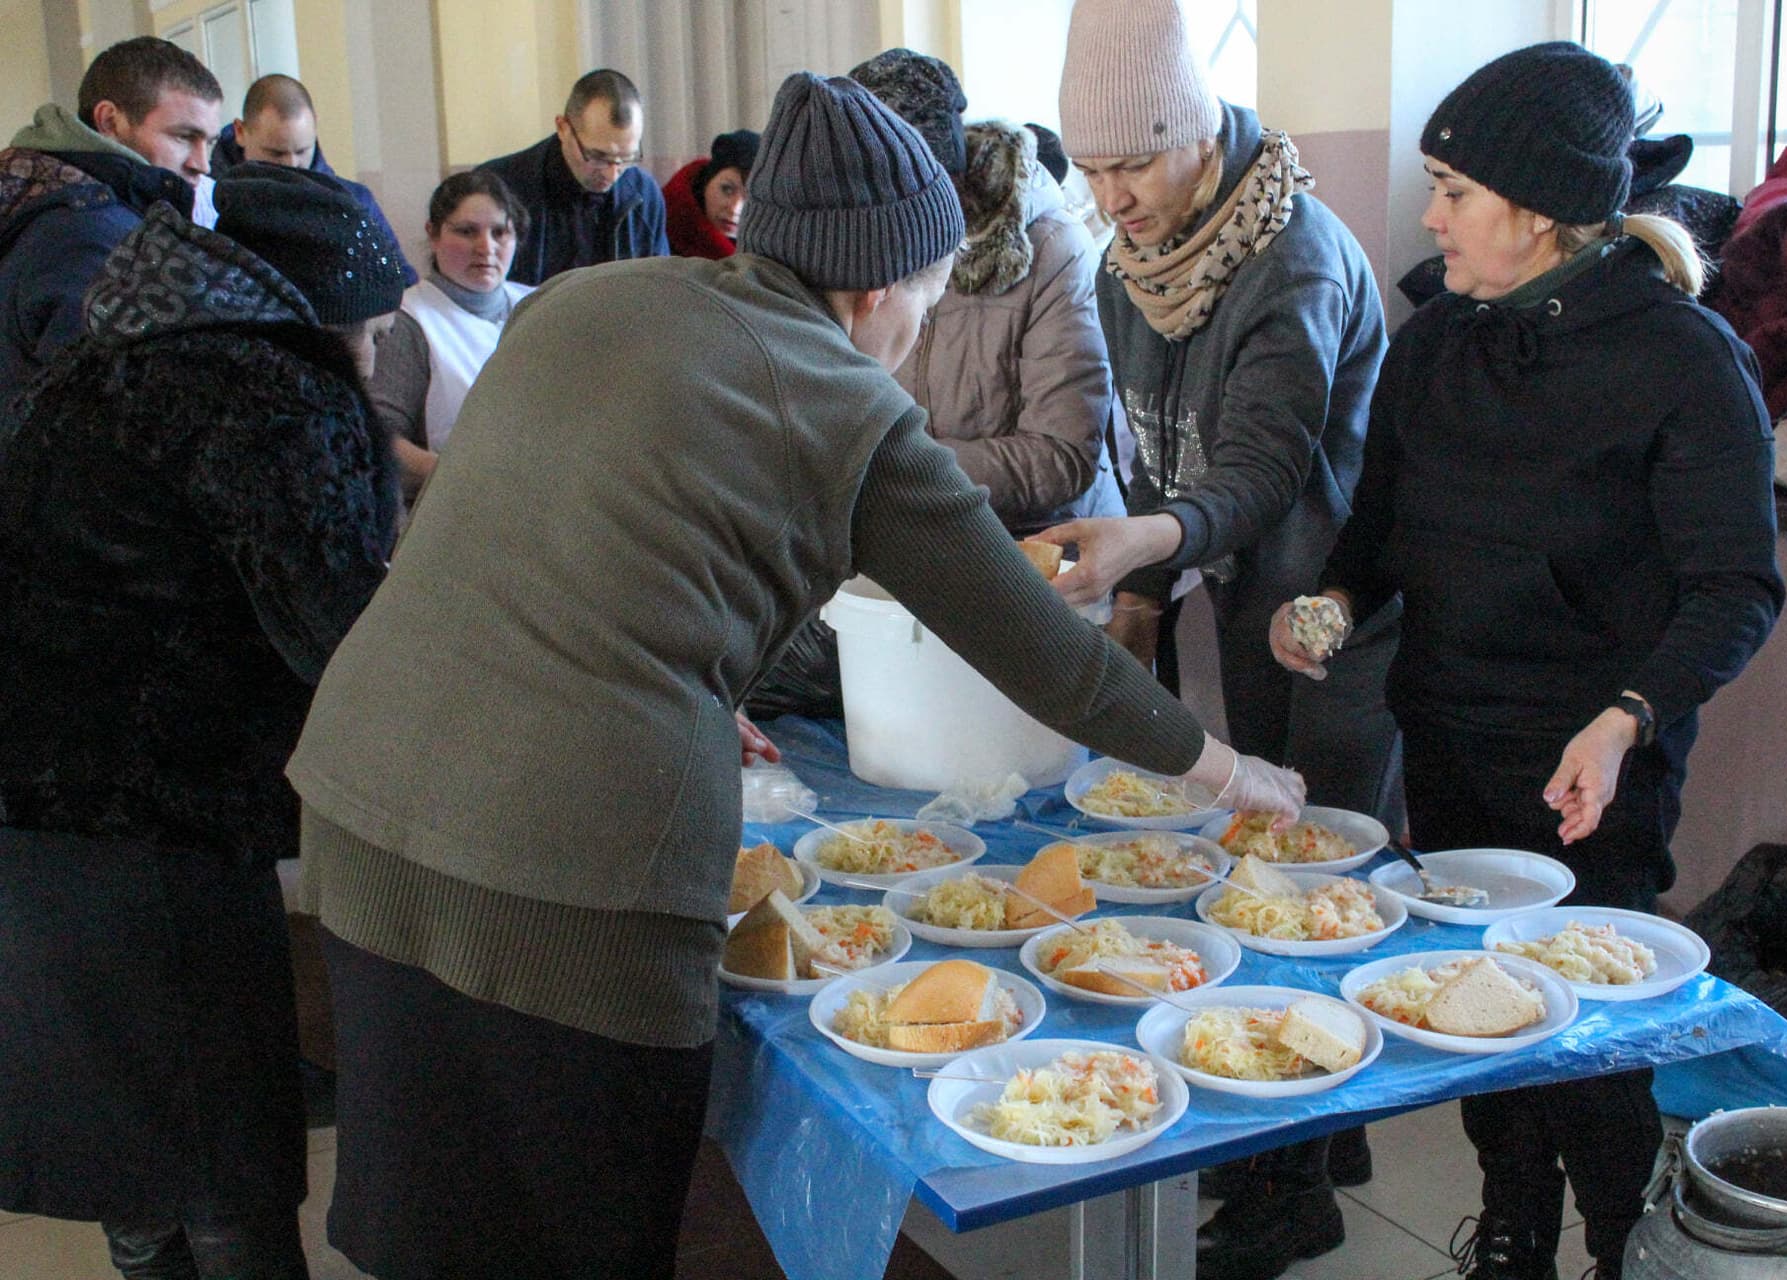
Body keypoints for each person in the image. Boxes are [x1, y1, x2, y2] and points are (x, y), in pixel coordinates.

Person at [284, 72, 1305, 1280]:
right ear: (877, 287)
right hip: (564, 863)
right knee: (580, 1231)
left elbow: (544, 526)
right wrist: (1234, 767)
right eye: (928, 298)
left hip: (361, 797)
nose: (918, 331)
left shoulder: (580, 298)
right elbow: (1047, 655)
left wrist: (692, 671)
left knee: (437, 1218)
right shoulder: (848, 402)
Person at [1270, 43, 1783, 1280]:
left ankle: (1622, 1241)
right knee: (1474, 1010)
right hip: (1445, 731)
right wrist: (1329, 606)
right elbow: (1374, 537)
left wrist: (1624, 721)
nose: (1429, 213)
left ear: (1542, 210)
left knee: (1590, 1030)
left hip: (1592, 760)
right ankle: (1509, 1227)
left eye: (1453, 189)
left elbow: (1737, 587)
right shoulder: (1439, 338)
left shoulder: (1682, 359)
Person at [1040, 5, 1401, 1273]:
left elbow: (1253, 476)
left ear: (1196, 134)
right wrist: (1145, 586)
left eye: (1133, 163)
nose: (1111, 196)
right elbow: (1147, 448)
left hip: (1336, 612)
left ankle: (1293, 1188)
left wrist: (1144, 542)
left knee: (1306, 893)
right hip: (1238, 595)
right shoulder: (1128, 260)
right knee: (1250, 862)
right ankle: (1316, 1142)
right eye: (1088, 170)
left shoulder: (1293, 257)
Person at [0, 164, 406, 1280]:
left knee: (129, 1146)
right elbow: (340, 632)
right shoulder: (261, 389)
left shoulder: (122, 350)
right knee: (222, 1155)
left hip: (43, 807)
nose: (372, 354)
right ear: (317, 309)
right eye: (369, 328)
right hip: (150, 819)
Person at [849, 47, 1125, 532]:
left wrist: (891, 467)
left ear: (940, 183)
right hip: (907, 533)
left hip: (1038, 543)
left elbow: (1061, 457)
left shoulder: (1051, 245)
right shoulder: (858, 241)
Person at [0, 36, 220, 395]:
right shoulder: (92, 234)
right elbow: (97, 414)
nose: (202, 164)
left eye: (209, 142)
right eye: (184, 137)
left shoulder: (41, 189)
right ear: (109, 121)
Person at [368, 169, 531, 498]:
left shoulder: (538, 303)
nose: (486, 248)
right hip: (456, 507)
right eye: (467, 232)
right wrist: (460, 476)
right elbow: (379, 441)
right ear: (434, 234)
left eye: (500, 232)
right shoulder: (409, 320)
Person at [208, 73, 416, 284]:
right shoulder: (205, 200)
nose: (292, 165)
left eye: (302, 151)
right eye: (275, 153)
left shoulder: (355, 200)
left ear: (315, 126)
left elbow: (401, 281)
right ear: (241, 132)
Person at [477, 67, 668, 286]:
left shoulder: (644, 195)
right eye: (597, 156)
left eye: (627, 158)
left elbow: (657, 289)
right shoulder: (500, 189)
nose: (612, 173)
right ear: (562, 128)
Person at [662, 128, 758, 258]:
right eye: (727, 189)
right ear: (707, 182)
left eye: (750, 199)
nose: (735, 209)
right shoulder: (661, 234)